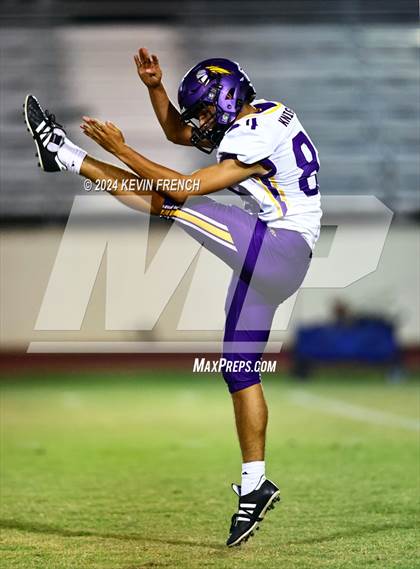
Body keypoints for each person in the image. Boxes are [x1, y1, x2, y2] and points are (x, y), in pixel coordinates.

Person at [23, 48, 322, 547]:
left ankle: (65, 155)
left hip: (277, 249)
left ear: (225, 99)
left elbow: (181, 187)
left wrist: (121, 149)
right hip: (275, 257)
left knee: (170, 203)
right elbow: (178, 134)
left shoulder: (255, 135)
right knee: (239, 371)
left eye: (204, 111)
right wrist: (155, 88)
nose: (199, 123)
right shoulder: (261, 113)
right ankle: (255, 486)